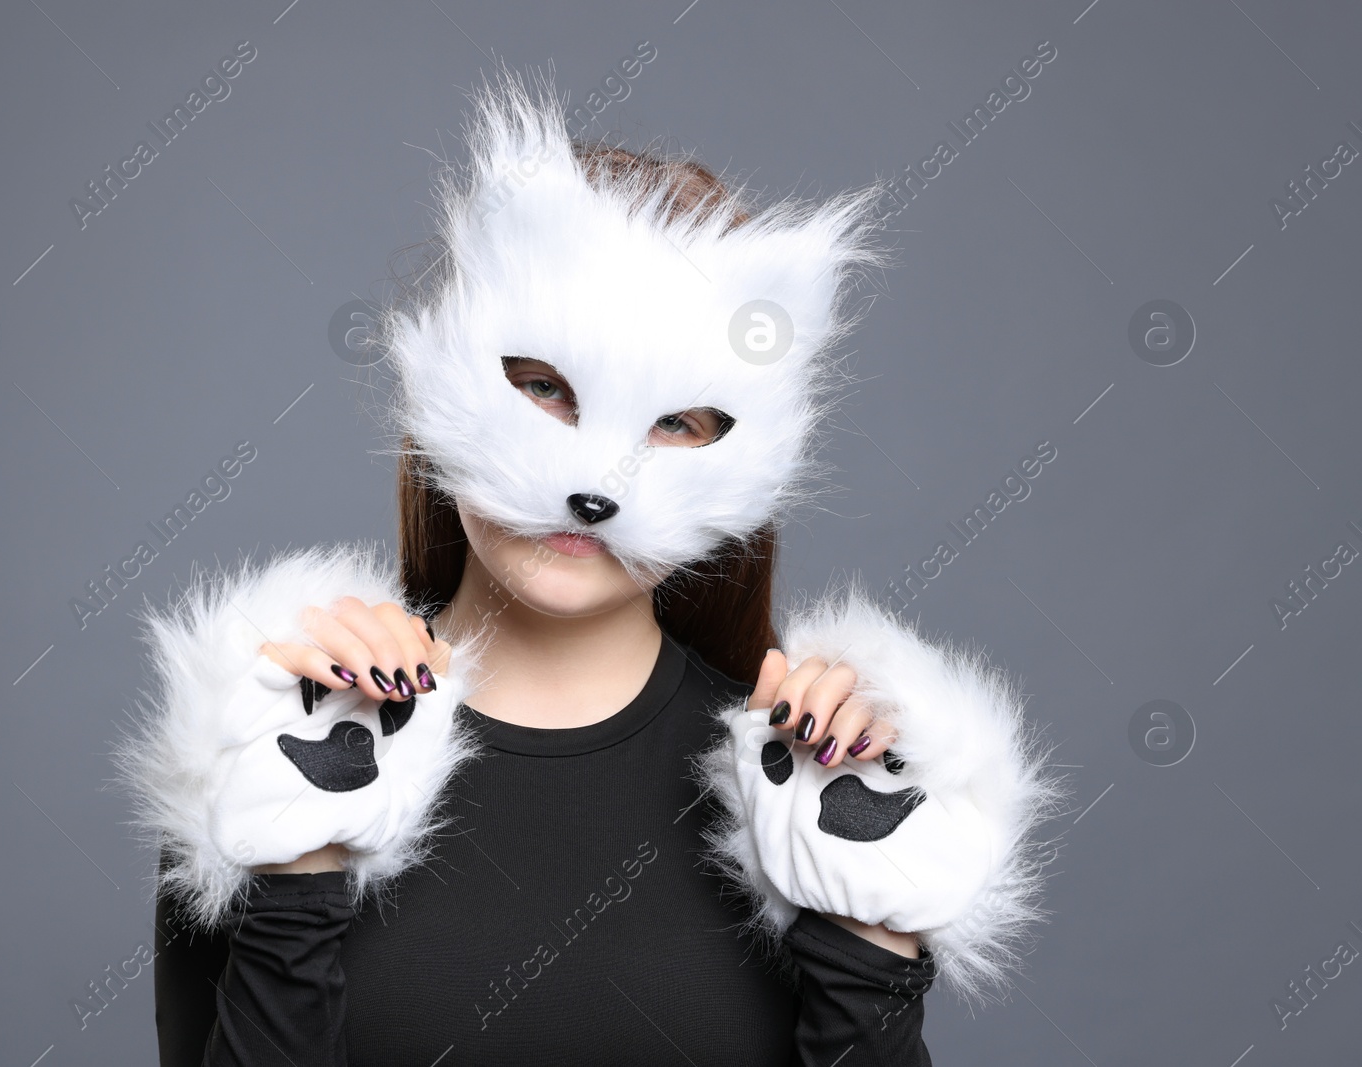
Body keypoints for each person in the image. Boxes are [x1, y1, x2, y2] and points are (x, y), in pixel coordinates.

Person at [120, 71, 1060, 1067]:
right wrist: (297, 878)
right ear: (441, 376)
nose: (596, 480)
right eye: (545, 390)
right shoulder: (270, 741)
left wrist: (867, 943)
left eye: (677, 422)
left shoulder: (817, 798)